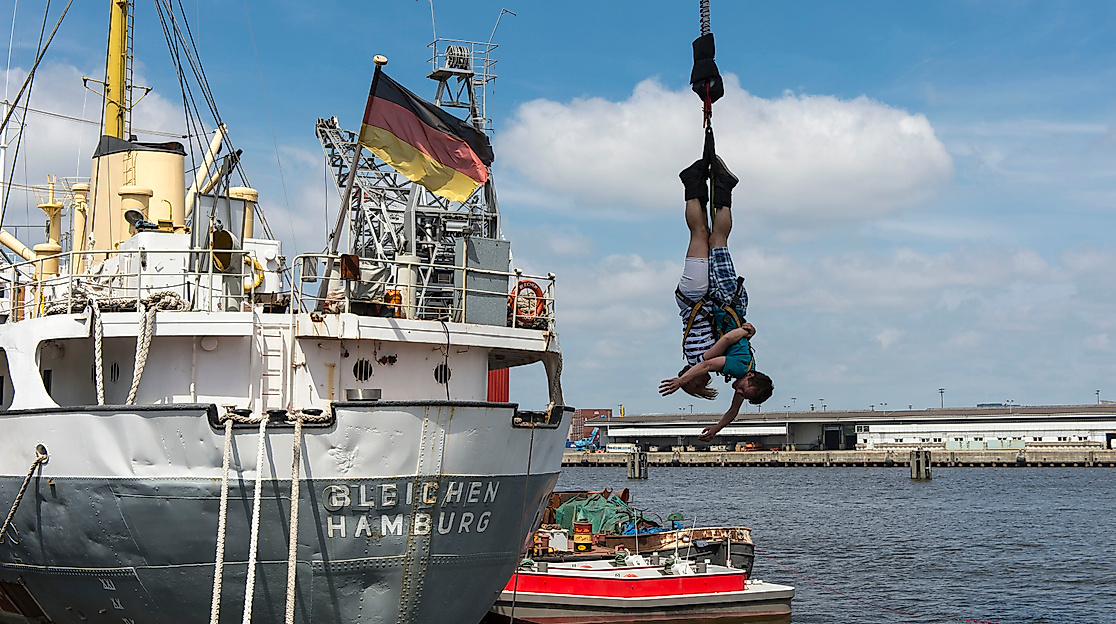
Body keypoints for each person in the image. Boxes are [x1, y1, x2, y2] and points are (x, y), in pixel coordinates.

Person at [659, 152, 774, 441]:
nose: (737, 394)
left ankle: (702, 185)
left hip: (708, 298)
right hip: (718, 299)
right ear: (750, 380)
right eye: (744, 392)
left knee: (704, 235)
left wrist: (717, 426)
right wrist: (683, 382)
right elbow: (714, 359)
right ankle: (714, 186)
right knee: (710, 237)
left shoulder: (736, 368)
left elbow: (715, 375)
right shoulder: (735, 367)